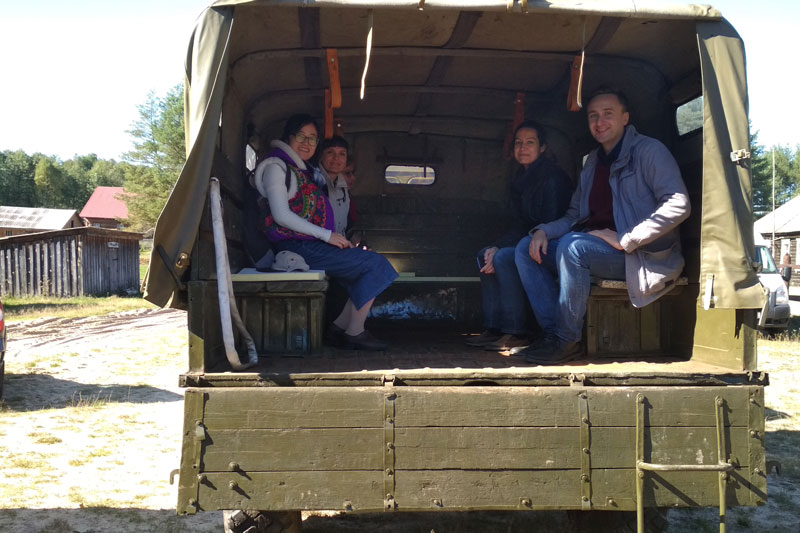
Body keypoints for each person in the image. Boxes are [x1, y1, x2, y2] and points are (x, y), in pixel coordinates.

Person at [514, 88, 691, 364]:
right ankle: (552, 334)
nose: (600, 122)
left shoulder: (649, 151)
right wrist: (543, 231)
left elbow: (679, 204)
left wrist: (627, 238)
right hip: (597, 248)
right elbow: (574, 215)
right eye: (593, 116)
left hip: (641, 255)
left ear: (625, 118)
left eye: (608, 114)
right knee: (526, 248)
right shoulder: (593, 162)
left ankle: (566, 341)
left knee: (573, 247)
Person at [251, 114, 398, 350]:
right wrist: (327, 236)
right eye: (301, 136)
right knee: (377, 265)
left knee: (372, 266)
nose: (306, 143)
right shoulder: (276, 168)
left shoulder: (302, 171)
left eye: (312, 138)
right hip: (294, 246)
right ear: (288, 137)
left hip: (310, 245)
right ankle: (354, 332)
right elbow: (281, 215)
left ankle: (339, 328)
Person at [466, 121, 572, 351]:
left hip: (551, 244)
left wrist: (505, 248)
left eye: (530, 143)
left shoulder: (552, 178)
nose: (523, 148)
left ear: (542, 147)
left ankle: (516, 332)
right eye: (518, 143)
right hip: (527, 240)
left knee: (504, 258)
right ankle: (494, 328)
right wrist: (496, 246)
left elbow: (552, 221)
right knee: (485, 255)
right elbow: (518, 223)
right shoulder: (520, 179)